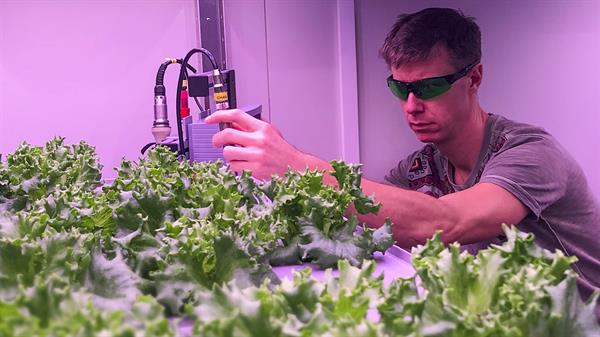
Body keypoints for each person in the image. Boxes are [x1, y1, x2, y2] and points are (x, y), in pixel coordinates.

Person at [205, 7, 600, 318]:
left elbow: (448, 222)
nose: (411, 106)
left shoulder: (531, 154)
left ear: (474, 77)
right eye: (400, 88)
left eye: (429, 87)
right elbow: (366, 219)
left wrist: (296, 165)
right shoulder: (419, 168)